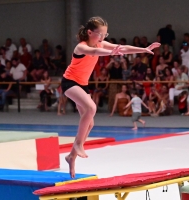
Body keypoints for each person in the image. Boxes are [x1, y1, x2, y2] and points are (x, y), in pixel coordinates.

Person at [61, 16, 160, 178]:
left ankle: (71, 156)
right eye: (99, 35)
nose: (101, 38)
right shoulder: (81, 47)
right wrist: (109, 52)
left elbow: (124, 48)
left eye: (104, 36)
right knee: (91, 108)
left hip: (82, 84)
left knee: (90, 123)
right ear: (89, 32)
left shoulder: (101, 44)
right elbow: (94, 51)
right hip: (69, 82)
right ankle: (78, 144)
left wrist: (143, 49)